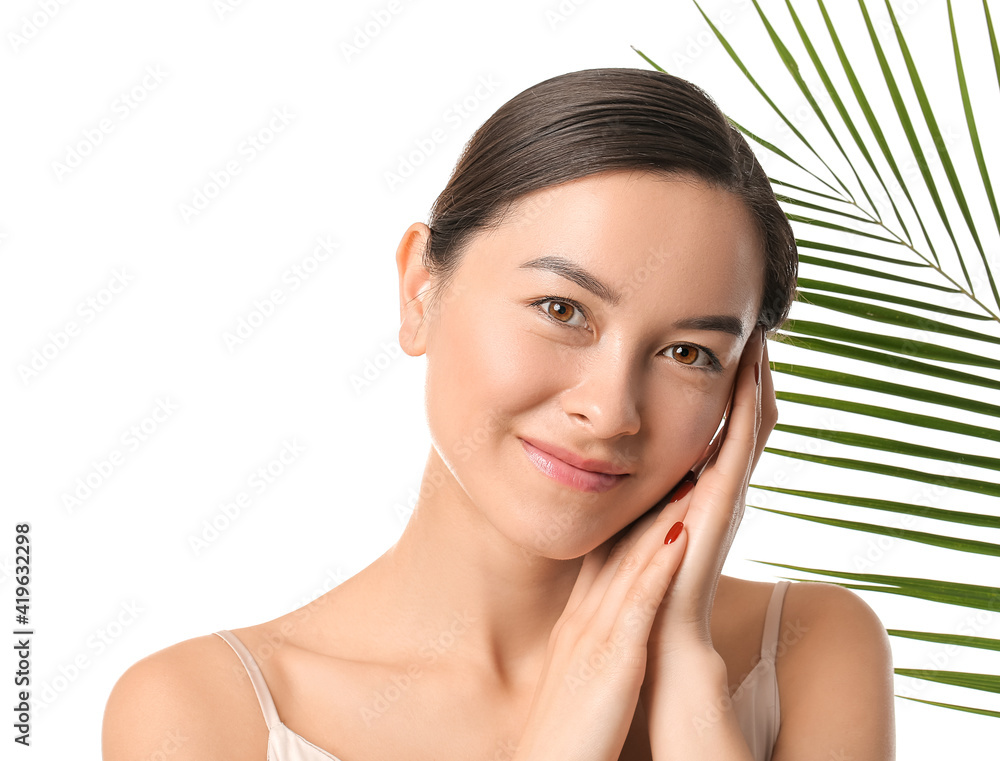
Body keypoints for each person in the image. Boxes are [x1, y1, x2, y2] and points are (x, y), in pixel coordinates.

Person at [102, 68, 895, 761]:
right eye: (562, 308)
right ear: (421, 288)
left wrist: (688, 684)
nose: (610, 408)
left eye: (689, 353)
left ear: (744, 393)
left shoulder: (807, 650)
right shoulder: (205, 711)